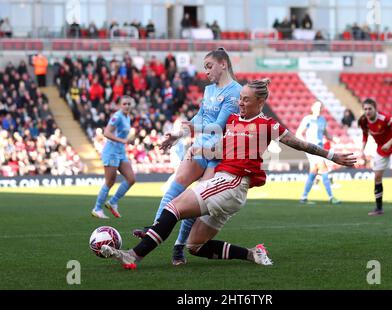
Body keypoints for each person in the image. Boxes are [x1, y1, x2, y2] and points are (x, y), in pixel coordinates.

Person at [100, 79, 356, 269]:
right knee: (196, 246)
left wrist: (333, 156)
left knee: (173, 209)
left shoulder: (267, 125)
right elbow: (224, 147)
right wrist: (203, 147)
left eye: (246, 99)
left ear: (260, 102)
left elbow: (299, 143)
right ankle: (252, 253)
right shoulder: (233, 120)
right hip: (230, 190)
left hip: (232, 182)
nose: (240, 102)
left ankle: (133, 255)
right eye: (240, 98)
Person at [133, 48, 242, 265]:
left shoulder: (235, 91)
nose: (206, 72)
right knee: (176, 186)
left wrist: (189, 130)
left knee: (197, 200)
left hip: (218, 153)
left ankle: (178, 248)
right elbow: (201, 116)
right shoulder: (209, 90)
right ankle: (155, 229)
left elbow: (218, 125)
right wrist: (177, 134)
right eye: (205, 68)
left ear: (223, 64)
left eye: (209, 66)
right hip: (200, 146)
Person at [358, 98, 392, 216]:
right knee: (377, 177)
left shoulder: (385, 119)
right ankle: (379, 208)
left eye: (370, 108)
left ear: (375, 109)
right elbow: (365, 136)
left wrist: (389, 143)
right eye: (365, 109)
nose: (367, 111)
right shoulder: (363, 121)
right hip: (381, 149)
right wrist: (362, 151)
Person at [91, 96, 136, 219]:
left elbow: (122, 136)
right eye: (124, 103)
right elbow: (106, 132)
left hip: (121, 152)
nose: (127, 105)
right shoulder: (117, 116)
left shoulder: (127, 117)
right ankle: (97, 208)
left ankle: (112, 202)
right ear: (119, 105)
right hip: (111, 152)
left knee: (131, 178)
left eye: (128, 103)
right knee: (110, 181)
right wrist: (122, 140)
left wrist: (128, 141)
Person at [296, 101, 341, 205]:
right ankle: (331, 197)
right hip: (311, 148)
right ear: (312, 108)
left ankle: (303, 197)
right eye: (317, 106)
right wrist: (305, 144)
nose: (319, 108)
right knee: (324, 169)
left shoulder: (322, 120)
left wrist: (334, 139)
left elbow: (325, 133)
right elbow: (299, 133)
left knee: (313, 172)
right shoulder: (308, 119)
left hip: (320, 148)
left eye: (320, 106)